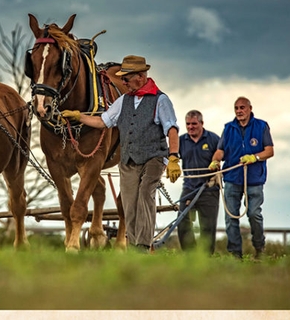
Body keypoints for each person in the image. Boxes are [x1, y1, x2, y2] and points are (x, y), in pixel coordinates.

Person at [61, 55, 181, 252]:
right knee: (129, 202)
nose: (123, 82)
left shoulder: (161, 100)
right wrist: (78, 116)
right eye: (123, 79)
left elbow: (172, 129)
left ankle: (142, 245)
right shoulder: (124, 100)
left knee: (144, 196)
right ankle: (133, 244)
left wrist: (174, 157)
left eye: (126, 78)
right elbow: (102, 122)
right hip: (128, 160)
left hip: (153, 158)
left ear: (141, 76)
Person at [209, 96, 274, 259]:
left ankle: (260, 248)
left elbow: (269, 151)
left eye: (242, 108)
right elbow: (221, 150)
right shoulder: (228, 128)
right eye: (236, 108)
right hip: (231, 177)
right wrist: (215, 160)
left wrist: (254, 157)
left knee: (253, 214)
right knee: (231, 217)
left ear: (250, 109)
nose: (239, 111)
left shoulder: (261, 126)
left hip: (254, 179)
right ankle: (235, 254)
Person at [177, 110, 220, 255]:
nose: (190, 127)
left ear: (201, 123)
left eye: (194, 124)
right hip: (189, 187)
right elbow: (171, 156)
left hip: (209, 188)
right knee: (182, 222)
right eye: (188, 124)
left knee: (207, 226)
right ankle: (190, 255)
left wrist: (216, 161)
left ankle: (206, 258)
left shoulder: (213, 139)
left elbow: (224, 153)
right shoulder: (181, 141)